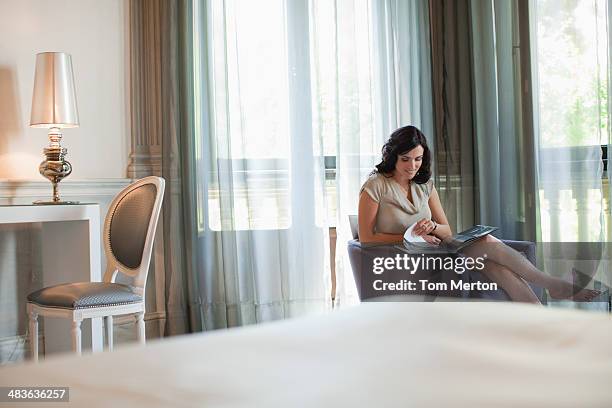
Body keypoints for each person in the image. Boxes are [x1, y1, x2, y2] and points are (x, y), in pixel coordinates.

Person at [358, 125, 599, 303]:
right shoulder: (376, 185)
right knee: (489, 258)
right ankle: (551, 286)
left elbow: (446, 230)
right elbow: (367, 238)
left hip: (436, 249)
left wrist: (431, 227)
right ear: (393, 157)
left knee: (489, 249)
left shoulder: (424, 184)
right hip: (403, 259)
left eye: (418, 159)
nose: (412, 166)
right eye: (406, 159)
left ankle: (538, 312)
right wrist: (407, 237)